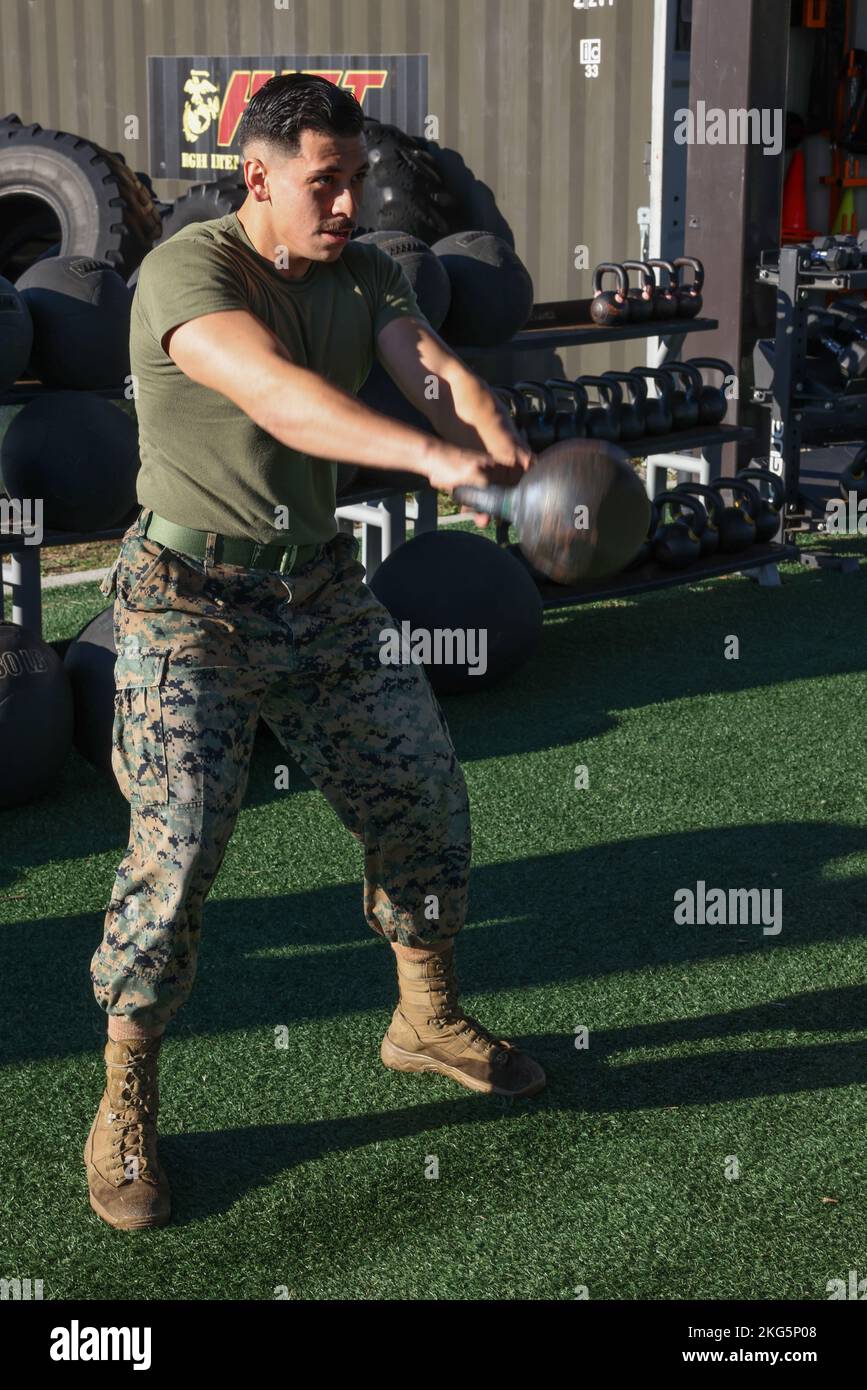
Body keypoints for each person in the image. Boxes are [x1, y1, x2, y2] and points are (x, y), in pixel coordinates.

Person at [84, 73, 546, 1233]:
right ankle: (126, 1094)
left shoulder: (365, 272)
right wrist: (435, 467)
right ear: (260, 177)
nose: (346, 206)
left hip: (321, 595)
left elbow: (433, 368)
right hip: (187, 601)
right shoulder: (189, 272)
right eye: (323, 186)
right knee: (180, 845)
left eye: (353, 183)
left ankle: (424, 1017)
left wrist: (500, 456)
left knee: (424, 800)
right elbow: (285, 401)